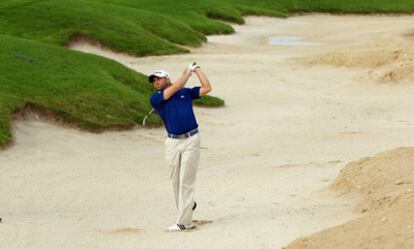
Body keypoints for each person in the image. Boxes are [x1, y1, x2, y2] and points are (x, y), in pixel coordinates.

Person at [148, 63, 212, 231]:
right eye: (154, 80)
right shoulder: (156, 98)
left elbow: (207, 88)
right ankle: (187, 206)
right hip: (172, 142)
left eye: (159, 78)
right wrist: (187, 73)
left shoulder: (185, 93)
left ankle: (184, 222)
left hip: (192, 138)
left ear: (166, 79)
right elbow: (177, 85)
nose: (156, 82)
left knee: (186, 180)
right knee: (175, 180)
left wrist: (197, 68)